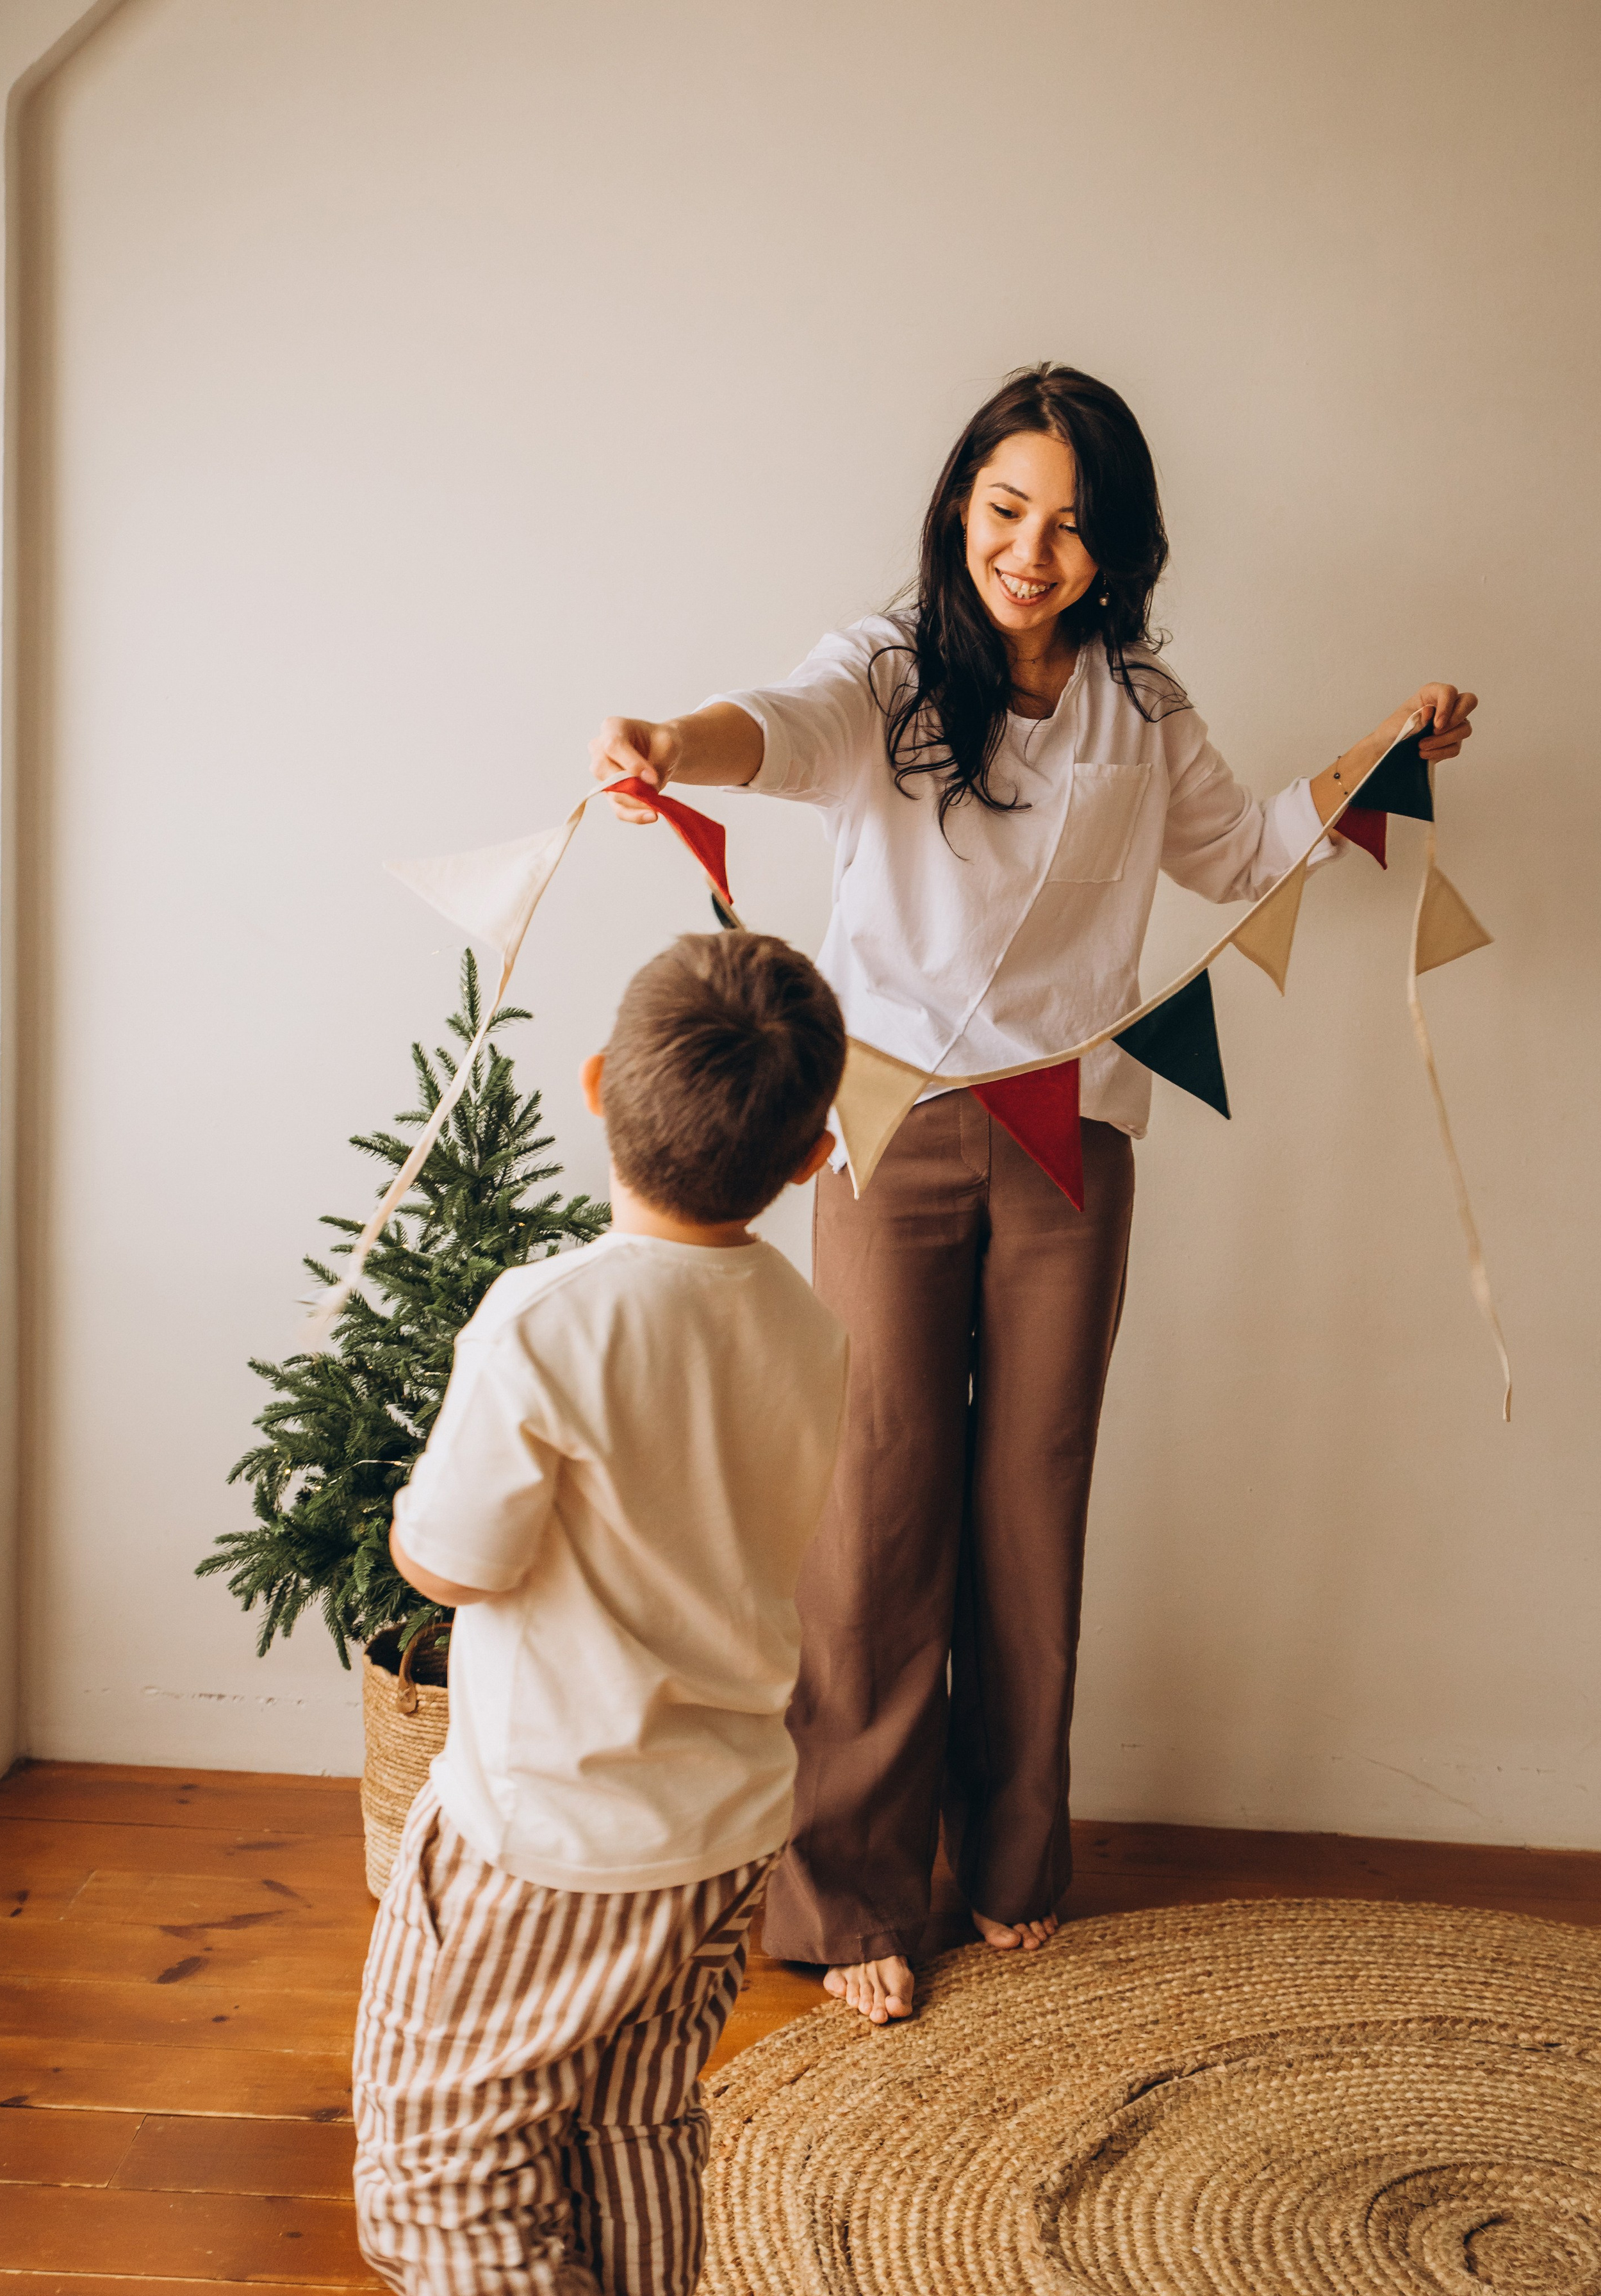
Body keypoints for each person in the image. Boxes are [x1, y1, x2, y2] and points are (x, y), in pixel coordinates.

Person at [591, 363, 1479, 2028]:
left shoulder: (1145, 711)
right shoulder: (882, 674)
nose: (1030, 548)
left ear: (1116, 546)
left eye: (1070, 526)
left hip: (1080, 1133)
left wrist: (1387, 745)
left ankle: (1010, 1859)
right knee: (879, 1495)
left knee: (1031, 1493)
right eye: (1006, 510)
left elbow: (1245, 852)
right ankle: (854, 1886)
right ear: (958, 509)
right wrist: (670, 741)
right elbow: (766, 735)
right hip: (893, 1126)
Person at [352, 932, 850, 2296]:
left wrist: (412, 1518)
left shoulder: (546, 1317)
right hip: (725, 1826)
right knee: (629, 2125)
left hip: (549, 1834)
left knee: (436, 2169)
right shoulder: (810, 1328)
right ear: (811, 1158)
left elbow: (452, 1562)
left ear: (592, 1085)